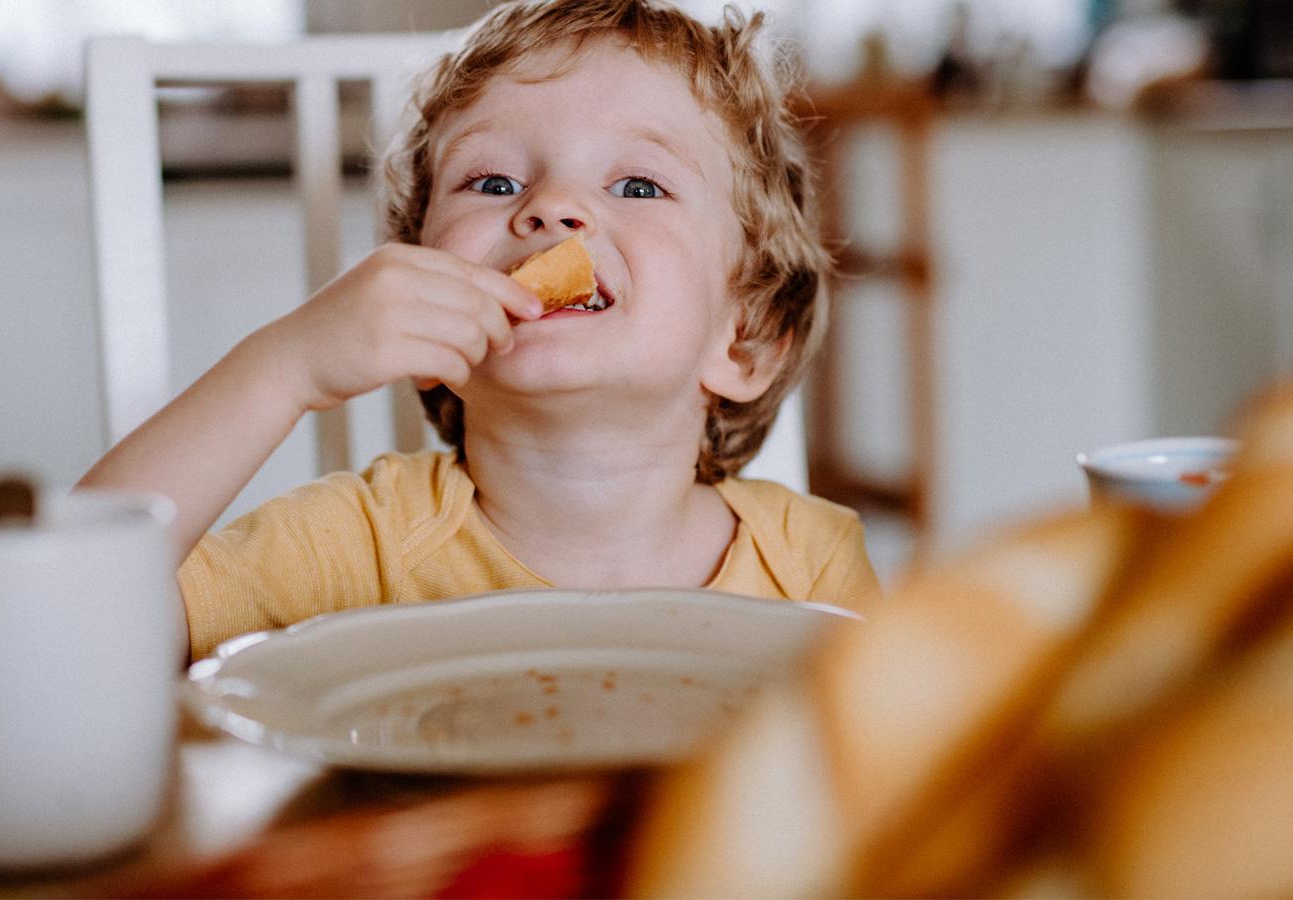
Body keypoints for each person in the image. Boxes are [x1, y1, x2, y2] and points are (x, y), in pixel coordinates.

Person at [79, 0, 882, 662]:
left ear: (743, 340)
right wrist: (283, 370)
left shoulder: (809, 564)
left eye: (638, 184)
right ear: (419, 320)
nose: (553, 207)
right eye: (492, 181)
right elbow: (64, 613)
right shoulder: (361, 550)